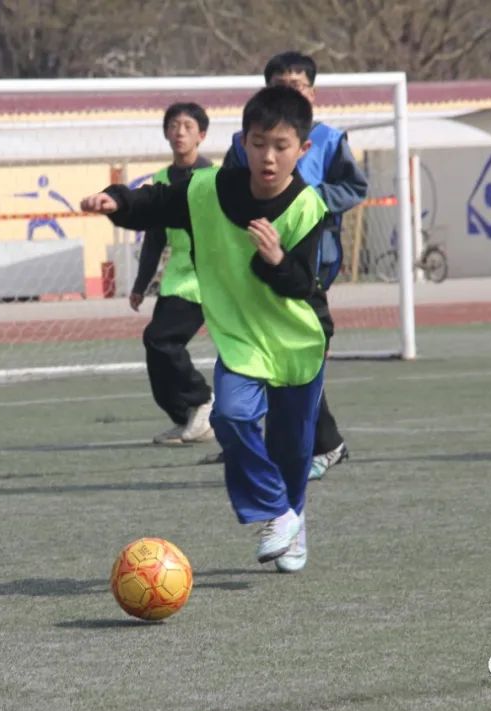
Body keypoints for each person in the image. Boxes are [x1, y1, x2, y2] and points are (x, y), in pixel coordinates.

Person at [82, 86, 339, 572]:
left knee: (292, 444)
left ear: (301, 150)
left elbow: (307, 284)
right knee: (230, 418)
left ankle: (293, 519)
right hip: (242, 339)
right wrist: (116, 201)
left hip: (297, 339)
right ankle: (277, 511)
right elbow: (155, 202)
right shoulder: (208, 188)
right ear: (244, 141)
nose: (268, 156)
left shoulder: (308, 209)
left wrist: (277, 260)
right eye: (259, 143)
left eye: (281, 146)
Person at [201, 51, 367, 480]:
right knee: (267, 351)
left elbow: (354, 187)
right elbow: (229, 191)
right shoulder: (246, 143)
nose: (269, 154)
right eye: (280, 85)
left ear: (311, 92)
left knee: (294, 351)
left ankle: (311, 445)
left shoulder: (328, 139)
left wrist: (306, 200)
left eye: (297, 86)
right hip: (253, 261)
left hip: (308, 257)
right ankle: (266, 441)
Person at [130, 102, 215, 445]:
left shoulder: (214, 178)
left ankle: (202, 399)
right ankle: (185, 418)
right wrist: (140, 284)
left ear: (202, 135)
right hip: (177, 275)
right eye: (174, 125)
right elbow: (155, 237)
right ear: (166, 133)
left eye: (188, 126)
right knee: (155, 345)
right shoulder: (162, 180)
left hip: (206, 274)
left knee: (162, 339)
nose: (180, 132)